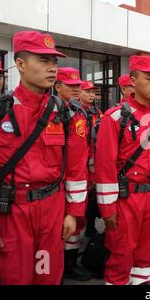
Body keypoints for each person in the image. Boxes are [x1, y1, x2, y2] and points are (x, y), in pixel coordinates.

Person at [0, 31, 87, 285]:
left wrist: (73, 213)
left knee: (47, 277)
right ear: (21, 65)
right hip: (12, 214)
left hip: (52, 213)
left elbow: (77, 170)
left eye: (54, 62)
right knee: (15, 278)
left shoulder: (66, 114)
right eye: (44, 61)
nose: (52, 69)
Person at [95, 55, 150, 285]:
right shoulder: (116, 117)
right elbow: (105, 167)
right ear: (133, 80)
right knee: (121, 256)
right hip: (126, 198)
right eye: (149, 79)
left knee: (145, 255)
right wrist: (108, 208)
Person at [54, 68, 93, 281]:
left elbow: (80, 154)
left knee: (75, 225)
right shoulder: (50, 110)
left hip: (77, 178)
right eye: (71, 86)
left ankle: (69, 264)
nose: (77, 89)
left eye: (78, 85)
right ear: (57, 87)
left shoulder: (79, 111)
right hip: (55, 182)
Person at [79, 81, 103, 238]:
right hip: (80, 162)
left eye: (93, 92)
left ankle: (90, 225)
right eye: (87, 91)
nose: (91, 95)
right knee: (81, 196)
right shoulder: (74, 112)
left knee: (94, 196)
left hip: (94, 163)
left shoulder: (97, 113)